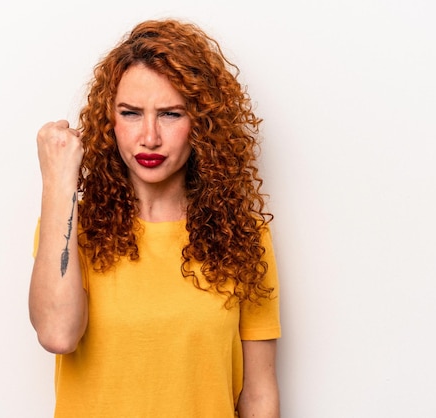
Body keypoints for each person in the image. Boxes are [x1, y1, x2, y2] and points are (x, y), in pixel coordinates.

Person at [29, 18, 281, 418]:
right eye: (130, 113)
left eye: (170, 114)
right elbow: (58, 334)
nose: (149, 137)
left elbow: (259, 395)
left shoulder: (244, 236)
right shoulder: (72, 228)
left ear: (202, 123)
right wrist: (60, 182)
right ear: (108, 122)